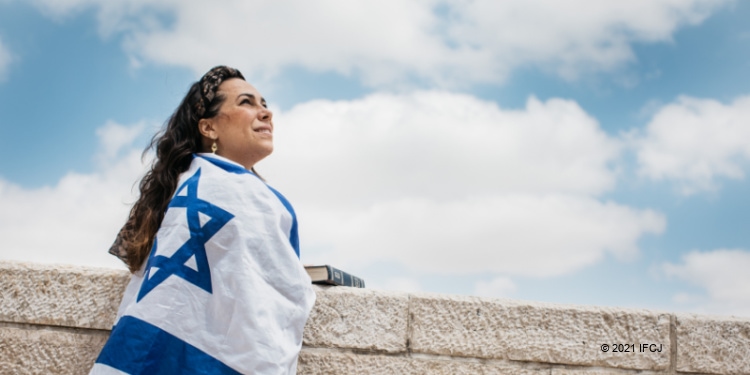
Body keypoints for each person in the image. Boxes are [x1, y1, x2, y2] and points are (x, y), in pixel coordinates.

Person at [90, 66, 316, 374]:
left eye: (264, 103)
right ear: (208, 128)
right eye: (246, 103)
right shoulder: (238, 194)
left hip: (139, 353)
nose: (265, 113)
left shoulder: (184, 183)